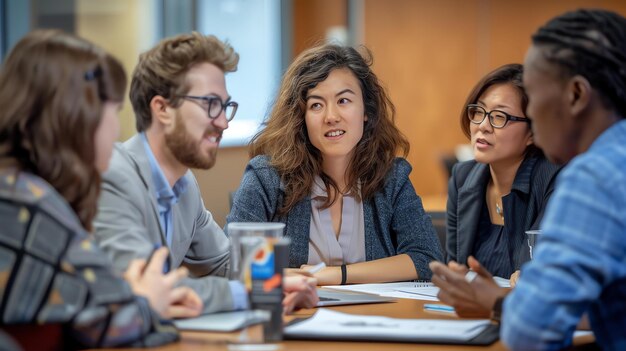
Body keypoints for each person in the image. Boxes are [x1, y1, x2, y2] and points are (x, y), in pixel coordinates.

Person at [430, 9, 626, 350]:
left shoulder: (593, 176)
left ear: (577, 95)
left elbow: (533, 330)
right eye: (479, 112)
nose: (533, 114)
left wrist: (495, 301)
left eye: (534, 96)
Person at [0, 30, 202, 349]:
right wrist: (146, 300)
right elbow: (114, 323)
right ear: (77, 115)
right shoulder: (32, 205)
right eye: (113, 109)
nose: (117, 129)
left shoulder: (17, 190)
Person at [93, 32, 317, 314]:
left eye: (225, 106)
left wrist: (281, 282)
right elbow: (147, 288)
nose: (223, 122)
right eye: (210, 104)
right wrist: (258, 291)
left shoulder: (183, 183)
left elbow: (225, 264)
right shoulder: (113, 176)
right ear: (162, 108)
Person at [227, 44, 443, 286]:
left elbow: (427, 259)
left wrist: (337, 275)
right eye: (316, 105)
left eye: (343, 100)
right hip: (295, 318)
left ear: (366, 111)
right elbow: (238, 265)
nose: (331, 117)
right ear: (301, 117)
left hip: (375, 319)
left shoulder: (391, 177)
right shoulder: (266, 177)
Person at [447, 63, 560, 281]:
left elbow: (537, 272)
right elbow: (454, 268)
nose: (483, 126)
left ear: (533, 133)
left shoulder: (554, 180)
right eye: (478, 111)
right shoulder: (462, 179)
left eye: (500, 117)